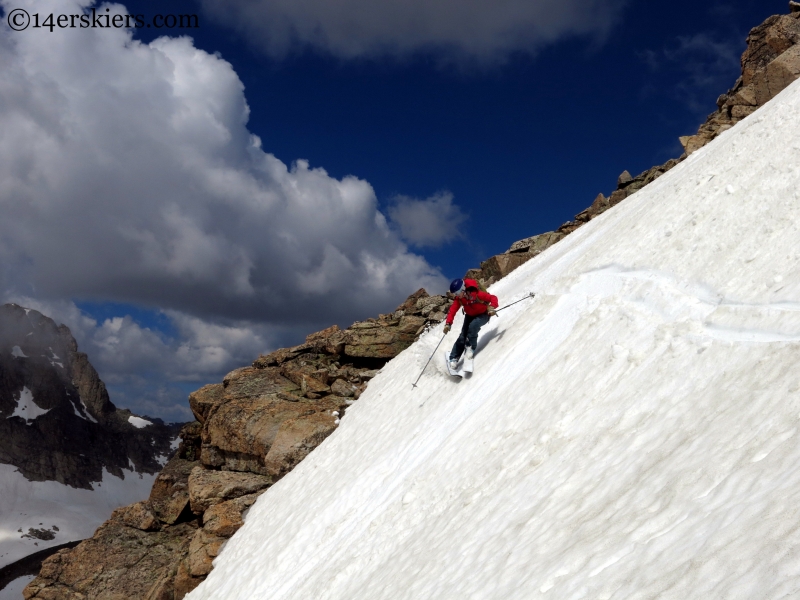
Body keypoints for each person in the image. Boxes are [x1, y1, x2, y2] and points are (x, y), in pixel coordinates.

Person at [443, 278, 498, 370]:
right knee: (462, 336)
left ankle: (470, 348)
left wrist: (492, 307)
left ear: (462, 289)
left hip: (483, 314)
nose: (456, 295)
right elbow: (452, 310)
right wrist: (448, 323)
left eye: (457, 293)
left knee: (473, 326)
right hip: (470, 316)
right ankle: (453, 358)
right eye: (455, 294)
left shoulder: (476, 294)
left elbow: (493, 298)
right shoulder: (460, 299)